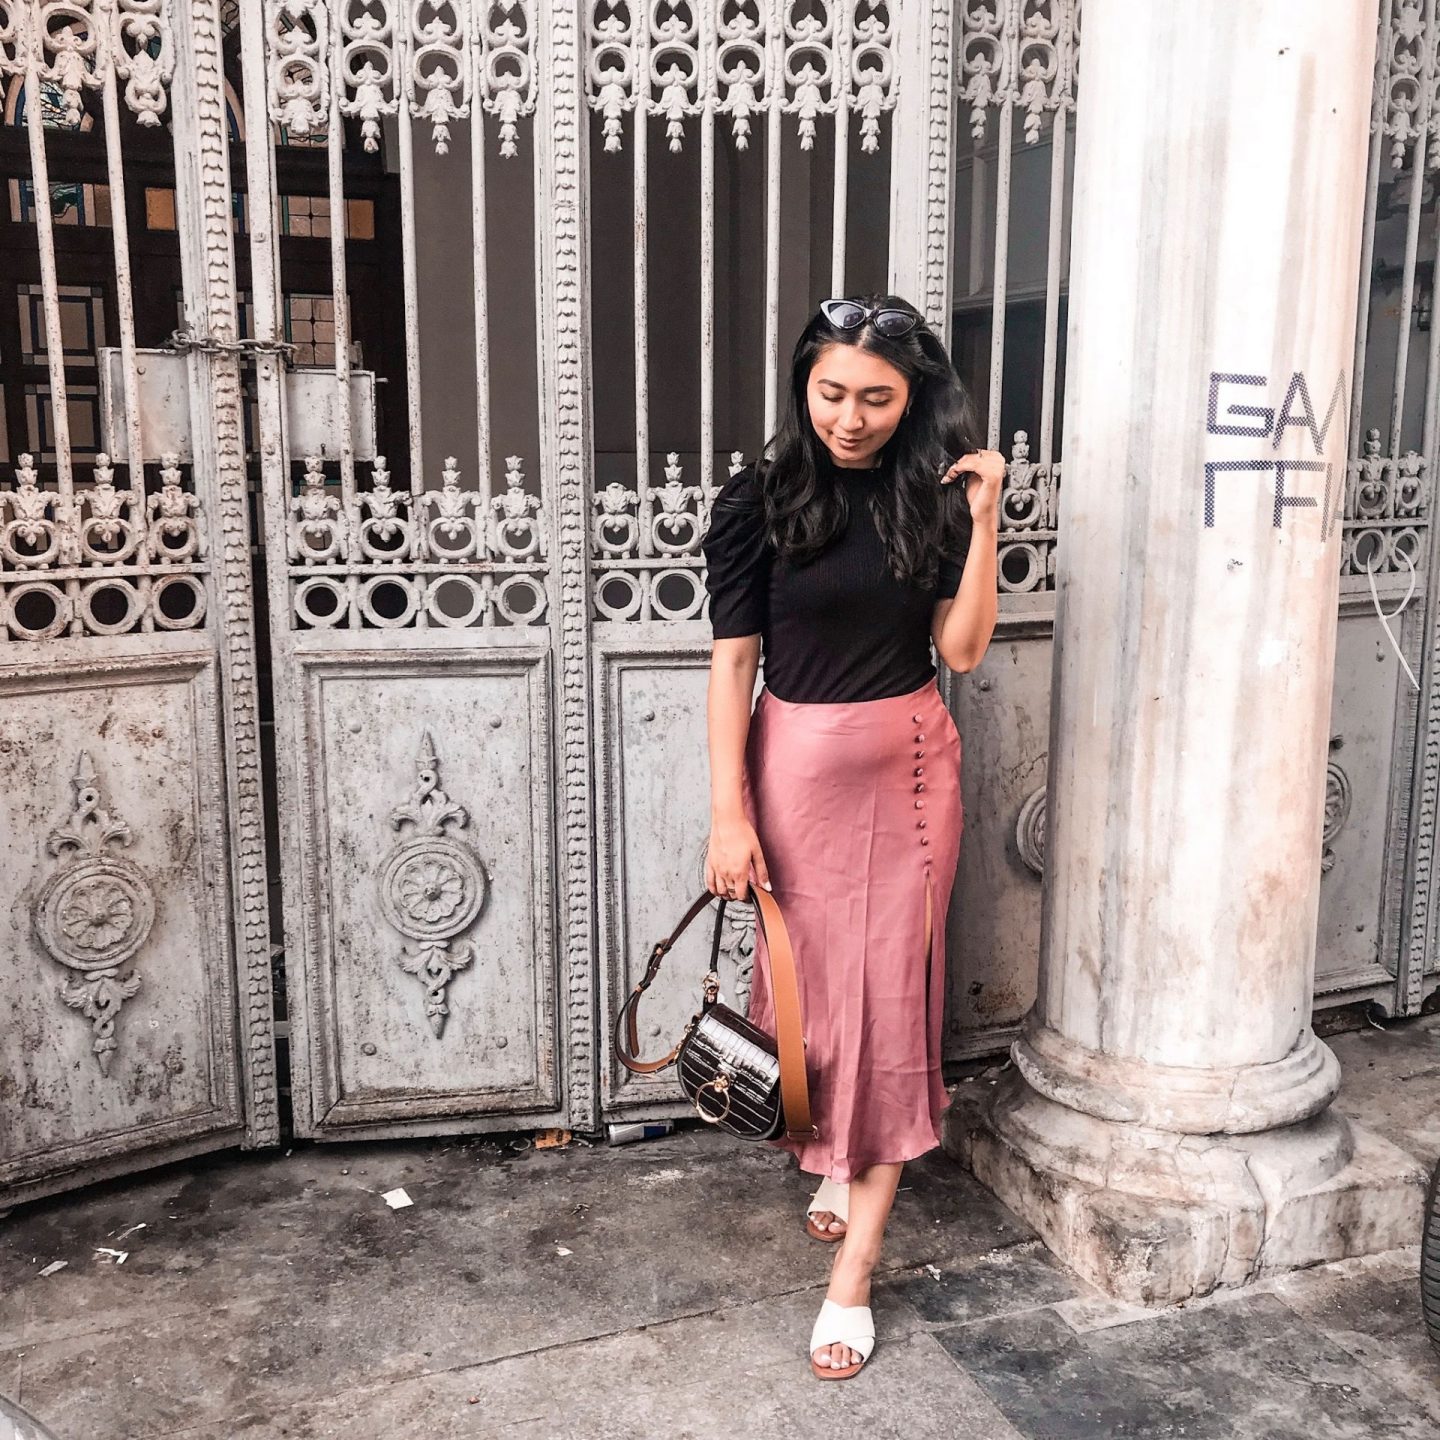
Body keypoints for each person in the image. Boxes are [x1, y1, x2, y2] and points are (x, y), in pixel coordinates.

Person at [700, 294, 1001, 1380]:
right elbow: (734, 665)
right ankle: (832, 1156)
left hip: (913, 779)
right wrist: (729, 811)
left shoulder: (935, 501)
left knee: (886, 1010)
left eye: (877, 397)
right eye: (831, 393)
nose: (851, 416)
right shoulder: (758, 501)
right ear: (803, 387)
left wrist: (989, 519)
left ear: (916, 398)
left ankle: (856, 1273)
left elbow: (961, 653)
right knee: (810, 999)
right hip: (791, 779)